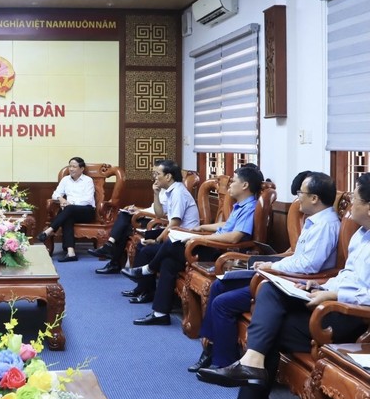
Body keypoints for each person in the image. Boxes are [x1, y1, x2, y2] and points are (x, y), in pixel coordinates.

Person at [196, 173, 370, 399]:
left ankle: (249, 381)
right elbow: (347, 276)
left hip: (349, 317)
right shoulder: (361, 236)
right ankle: (251, 364)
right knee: (268, 292)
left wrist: (334, 295)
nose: (350, 206)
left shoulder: (334, 227)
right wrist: (322, 286)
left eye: (356, 199)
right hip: (327, 303)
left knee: (267, 330)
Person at [188, 172, 340, 373]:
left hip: (293, 284)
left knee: (222, 303)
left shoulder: (326, 226)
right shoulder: (314, 221)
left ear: (314, 198)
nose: (297, 197)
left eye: (300, 193)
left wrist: (273, 266)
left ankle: (223, 362)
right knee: (219, 285)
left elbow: (308, 267)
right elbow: (298, 258)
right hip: (283, 276)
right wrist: (273, 261)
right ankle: (211, 348)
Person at [124, 165, 264, 325]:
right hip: (211, 243)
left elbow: (234, 237)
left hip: (219, 252)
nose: (230, 184)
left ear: (245, 185)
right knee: (168, 262)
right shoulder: (240, 205)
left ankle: (147, 269)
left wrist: (205, 238)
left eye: (233, 181)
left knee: (171, 242)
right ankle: (160, 313)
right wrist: (203, 227)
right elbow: (227, 225)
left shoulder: (251, 207)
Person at [90, 160, 198, 275]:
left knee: (129, 227)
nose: (154, 178)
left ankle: (114, 256)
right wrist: (155, 194)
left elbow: (173, 222)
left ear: (168, 176)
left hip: (182, 236)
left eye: (157, 174)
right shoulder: (169, 191)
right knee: (131, 231)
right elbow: (160, 213)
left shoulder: (178, 193)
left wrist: (157, 240)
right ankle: (137, 283)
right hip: (173, 232)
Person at [37, 157, 95, 262]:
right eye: (70, 166)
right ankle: (71, 253)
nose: (71, 169)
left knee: (68, 209)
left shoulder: (88, 181)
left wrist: (69, 204)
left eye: (74, 166)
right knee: (67, 216)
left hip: (86, 211)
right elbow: (55, 194)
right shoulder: (65, 179)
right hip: (70, 211)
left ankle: (49, 231)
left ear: (81, 169)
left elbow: (87, 200)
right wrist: (61, 199)